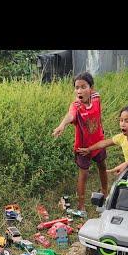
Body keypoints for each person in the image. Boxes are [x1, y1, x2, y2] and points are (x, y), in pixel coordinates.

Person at [52, 72, 107, 216]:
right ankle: (81, 206)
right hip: (83, 148)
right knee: (83, 174)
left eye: (83, 87)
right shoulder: (76, 105)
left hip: (99, 142)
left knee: (102, 166)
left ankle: (105, 193)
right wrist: (62, 125)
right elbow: (70, 115)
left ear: (91, 88)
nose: (79, 91)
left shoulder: (96, 97)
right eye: (77, 87)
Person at [76, 105, 128, 174]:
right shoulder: (121, 137)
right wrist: (89, 149)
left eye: (127, 121)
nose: (122, 124)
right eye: (121, 120)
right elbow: (104, 143)